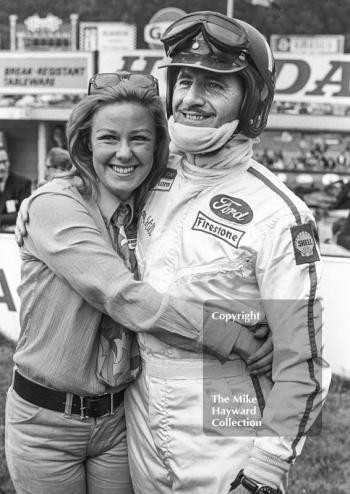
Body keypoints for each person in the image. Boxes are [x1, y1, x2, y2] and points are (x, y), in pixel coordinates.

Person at [8, 76, 271, 494]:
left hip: (118, 419)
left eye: (140, 139)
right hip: (47, 424)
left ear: (157, 147)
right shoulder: (56, 205)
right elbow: (123, 296)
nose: (125, 152)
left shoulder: (149, 200)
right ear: (85, 143)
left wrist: (268, 318)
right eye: (109, 137)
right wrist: (232, 333)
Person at [122, 11, 331, 494]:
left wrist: (266, 470)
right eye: (185, 80)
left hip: (226, 422)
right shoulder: (147, 178)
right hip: (140, 411)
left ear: (252, 100)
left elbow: (303, 363)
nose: (192, 99)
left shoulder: (280, 213)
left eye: (215, 85)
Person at [0, 146, 31, 231]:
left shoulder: (22, 183)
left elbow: (23, 213)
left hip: (12, 237)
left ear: (9, 162)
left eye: (4, 162)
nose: (2, 167)